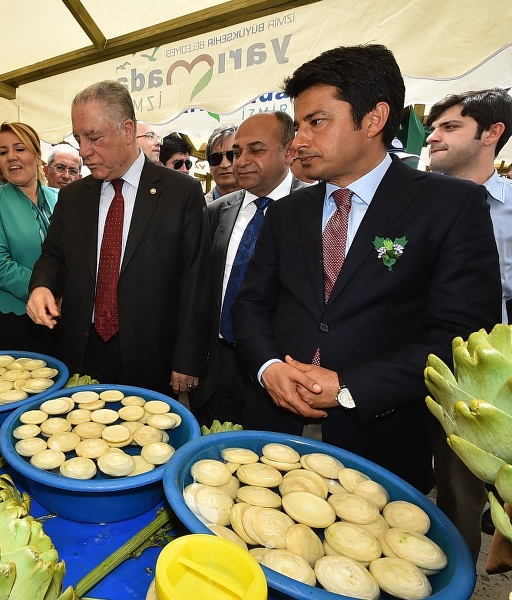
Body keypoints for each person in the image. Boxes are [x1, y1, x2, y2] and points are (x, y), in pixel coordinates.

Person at [231, 44, 501, 494]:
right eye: (298, 126)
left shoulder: (450, 206)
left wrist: (350, 386)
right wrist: (268, 367)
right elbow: (252, 304)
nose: (299, 141)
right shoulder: (285, 213)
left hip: (381, 438)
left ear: (374, 119)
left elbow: (461, 335)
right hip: (274, 428)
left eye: (316, 122)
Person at [27, 80, 212, 395]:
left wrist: (188, 358)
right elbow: (54, 255)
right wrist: (42, 286)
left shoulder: (181, 193)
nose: (84, 151)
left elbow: (196, 281)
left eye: (94, 137)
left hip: (151, 357)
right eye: (78, 139)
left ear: (127, 131)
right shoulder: (72, 197)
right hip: (81, 351)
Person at [426, 87, 512, 560]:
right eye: (434, 128)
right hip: (405, 363)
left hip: (476, 387)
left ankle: (454, 574)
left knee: (460, 496)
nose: (433, 137)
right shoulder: (412, 203)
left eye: (450, 127)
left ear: (492, 133)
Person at [190, 113, 309, 427]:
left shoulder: (315, 211)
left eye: (255, 150)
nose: (240, 162)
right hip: (217, 368)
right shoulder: (215, 212)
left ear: (289, 151)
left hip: (283, 370)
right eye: (236, 152)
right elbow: (196, 291)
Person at [0, 122, 58, 353]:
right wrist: (48, 292)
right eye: (3, 152)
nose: (11, 157)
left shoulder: (60, 198)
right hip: (16, 318)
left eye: (20, 149)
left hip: (62, 313)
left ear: (38, 156)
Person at [204, 124, 239, 203]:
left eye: (232, 155)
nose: (224, 164)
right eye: (216, 158)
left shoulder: (263, 203)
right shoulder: (196, 208)